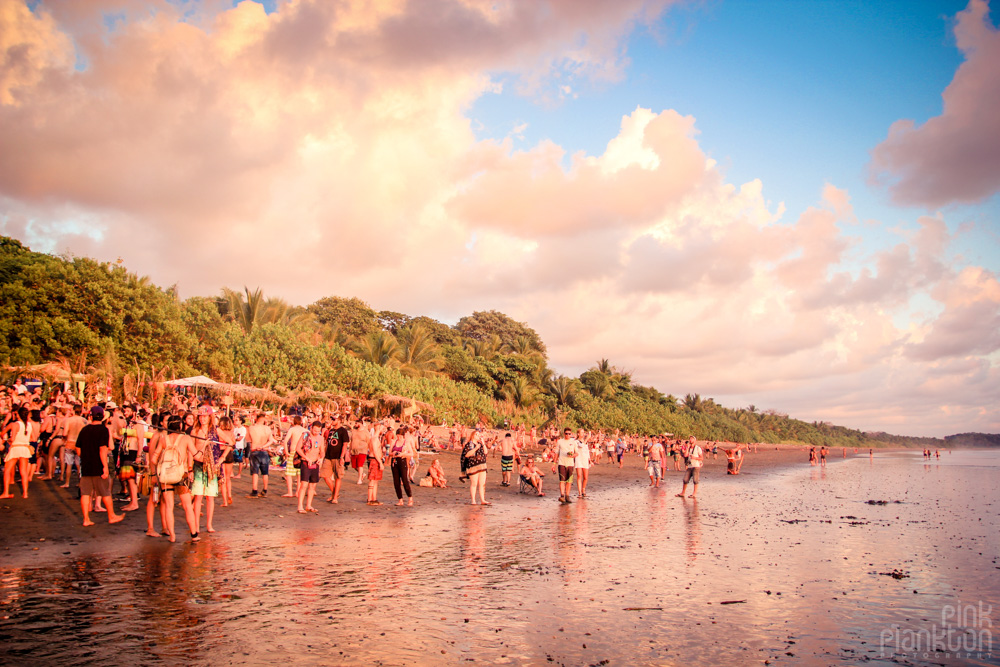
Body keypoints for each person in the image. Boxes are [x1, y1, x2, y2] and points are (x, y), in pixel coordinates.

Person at [151, 414, 199, 542]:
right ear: (180, 425)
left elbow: (153, 459)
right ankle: (194, 534)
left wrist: (162, 465)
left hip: (166, 476)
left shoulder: (163, 439)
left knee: (169, 506)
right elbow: (196, 455)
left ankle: (172, 536)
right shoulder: (186, 438)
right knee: (187, 505)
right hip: (181, 475)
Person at [76, 406, 125, 526]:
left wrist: (86, 456)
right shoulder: (103, 430)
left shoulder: (84, 429)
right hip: (98, 465)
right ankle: (111, 515)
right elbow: (103, 449)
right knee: (105, 492)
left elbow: (78, 449)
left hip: (86, 465)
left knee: (85, 493)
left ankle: (86, 519)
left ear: (91, 416)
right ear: (102, 416)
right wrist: (105, 467)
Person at [1, 407, 33, 499]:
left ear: (17, 414)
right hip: (25, 448)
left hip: (16, 447)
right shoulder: (29, 425)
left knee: (7, 470)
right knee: (23, 471)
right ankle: (25, 493)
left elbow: (5, 434)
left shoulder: (14, 424)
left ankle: (6, 492)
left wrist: (6, 439)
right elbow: (32, 437)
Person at [321, 414, 350, 503]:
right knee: (324, 475)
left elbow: (345, 444)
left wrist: (342, 457)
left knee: (338, 477)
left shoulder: (343, 431)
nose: (332, 421)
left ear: (339, 420)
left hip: (338, 456)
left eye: (334, 419)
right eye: (331, 419)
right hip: (328, 456)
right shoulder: (331, 430)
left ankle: (335, 497)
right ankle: (334, 493)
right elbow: (326, 443)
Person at [296, 421, 323, 513]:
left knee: (313, 485)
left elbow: (322, 451)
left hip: (315, 463)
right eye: (315, 430)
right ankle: (300, 506)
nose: (316, 432)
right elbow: (298, 448)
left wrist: (321, 458)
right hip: (305, 462)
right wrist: (306, 458)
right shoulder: (305, 435)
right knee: (304, 484)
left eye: (318, 431)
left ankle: (309, 505)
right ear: (311, 428)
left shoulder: (321, 438)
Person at [246, 412, 273, 497]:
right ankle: (265, 490)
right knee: (265, 472)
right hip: (264, 450)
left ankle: (254, 490)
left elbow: (248, 440)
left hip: (255, 450)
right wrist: (264, 446)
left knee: (255, 472)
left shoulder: (251, 428)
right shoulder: (267, 428)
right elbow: (271, 440)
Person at [389, 426, 415, 506]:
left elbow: (411, 453)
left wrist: (403, 454)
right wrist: (393, 453)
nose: (398, 437)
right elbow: (389, 452)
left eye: (400, 436)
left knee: (404, 480)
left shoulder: (406, 443)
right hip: (395, 462)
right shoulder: (394, 442)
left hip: (403, 461)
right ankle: (400, 499)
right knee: (396, 482)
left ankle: (410, 498)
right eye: (397, 436)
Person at [551, 428, 578, 504]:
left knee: (569, 481)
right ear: (564, 434)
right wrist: (554, 463)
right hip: (562, 463)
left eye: (569, 434)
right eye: (566, 433)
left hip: (570, 463)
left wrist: (572, 455)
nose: (568, 435)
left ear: (571, 434)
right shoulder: (560, 442)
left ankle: (567, 495)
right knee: (562, 480)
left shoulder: (573, 442)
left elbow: (577, 453)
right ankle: (562, 495)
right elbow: (556, 453)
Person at [462, 430, 489, 505]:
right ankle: (473, 500)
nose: (478, 436)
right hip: (473, 465)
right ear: (473, 435)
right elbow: (467, 454)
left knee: (482, 484)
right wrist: (476, 448)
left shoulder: (480, 444)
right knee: (474, 483)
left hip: (482, 465)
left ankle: (482, 500)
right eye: (477, 434)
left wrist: (483, 443)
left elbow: (486, 452)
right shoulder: (469, 444)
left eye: (479, 434)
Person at [282, 416, 306, 498]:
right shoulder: (305, 430)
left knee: (289, 473)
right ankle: (298, 492)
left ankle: (290, 492)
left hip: (293, 452)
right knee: (299, 473)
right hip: (302, 453)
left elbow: (285, 441)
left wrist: (286, 452)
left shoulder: (292, 429)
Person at [366, 421, 385, 505]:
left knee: (376, 480)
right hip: (374, 460)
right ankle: (370, 499)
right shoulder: (374, 439)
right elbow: (375, 451)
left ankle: (374, 498)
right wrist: (380, 462)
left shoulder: (375, 438)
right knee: (372, 479)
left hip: (375, 459)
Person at [350, 418, 373, 485]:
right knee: (354, 466)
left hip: (362, 450)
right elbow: (351, 441)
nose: (355, 424)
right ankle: (362, 474)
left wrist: (370, 450)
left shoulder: (365, 432)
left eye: (357, 423)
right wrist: (349, 450)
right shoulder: (354, 431)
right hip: (354, 450)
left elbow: (369, 442)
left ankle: (359, 479)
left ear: (360, 423)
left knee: (360, 465)